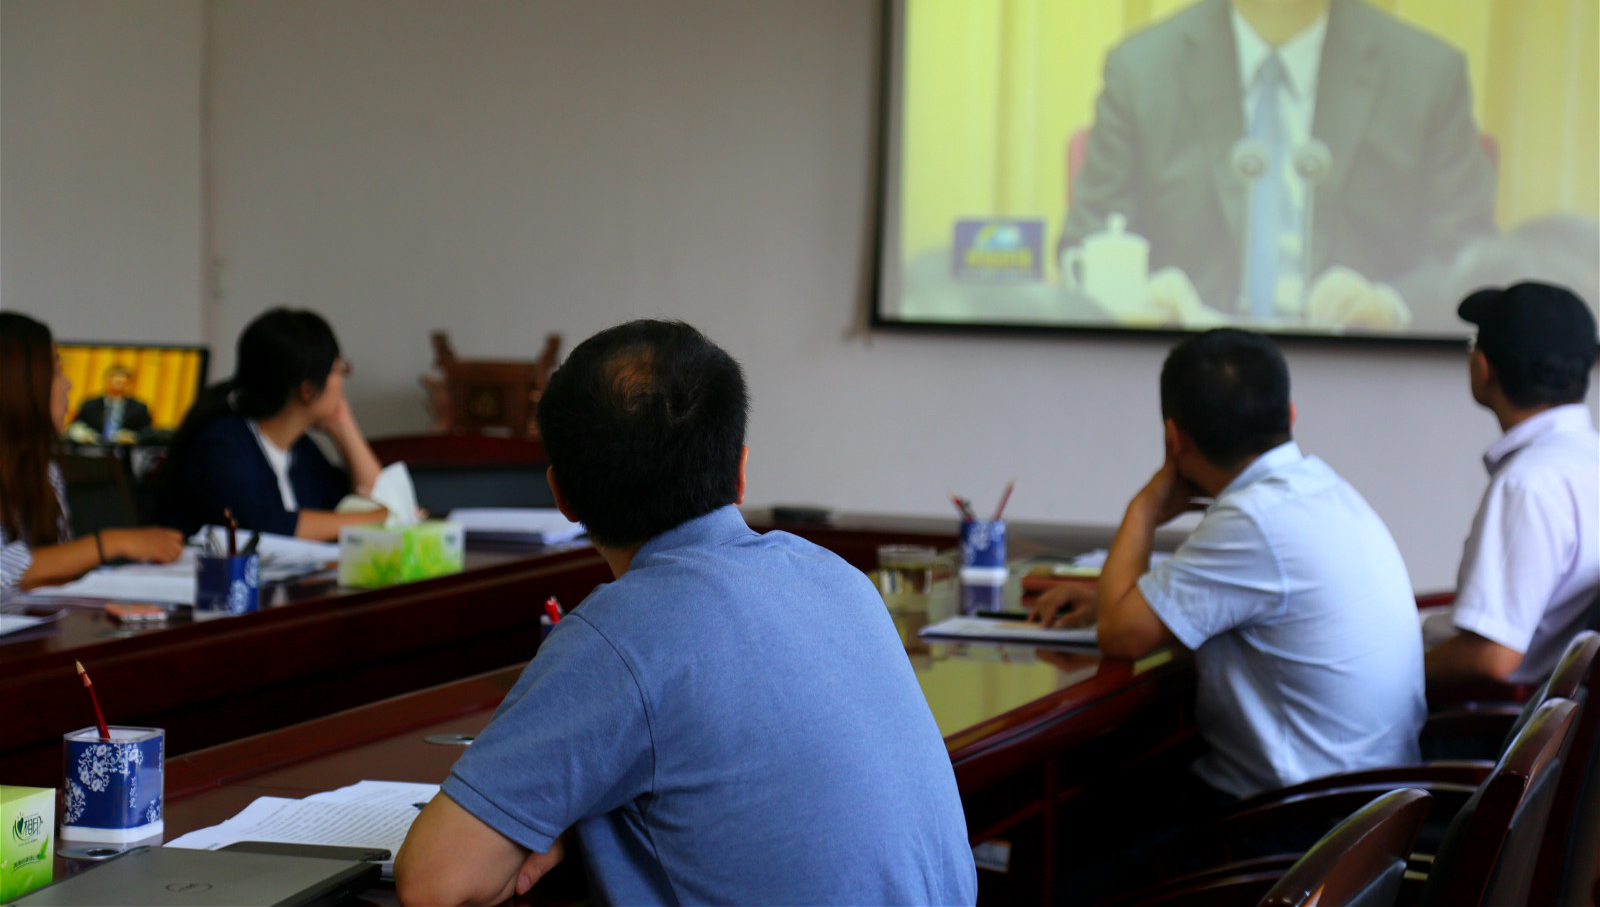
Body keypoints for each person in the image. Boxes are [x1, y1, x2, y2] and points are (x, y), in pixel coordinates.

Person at [395, 320, 976, 907]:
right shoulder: (837, 578)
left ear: (561, 495)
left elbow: (432, 882)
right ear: (740, 472)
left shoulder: (619, 636)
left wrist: (565, 818)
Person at [1057, 0, 1496, 332]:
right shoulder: (1142, 72)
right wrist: (1142, 295)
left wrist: (1389, 304)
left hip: (1359, 360)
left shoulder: (1425, 76)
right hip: (1188, 360)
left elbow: (1471, 258)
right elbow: (1086, 244)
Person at [1031, 329, 1425, 806]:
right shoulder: (1320, 488)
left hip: (1301, 822)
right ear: (1291, 414)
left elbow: (1120, 636)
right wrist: (1108, 599)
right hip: (1378, 811)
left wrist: (1145, 507)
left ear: (1174, 438)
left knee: (1086, 815)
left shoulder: (1253, 520)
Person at [1424, 282, 1600, 685]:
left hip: (1487, 712)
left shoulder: (1528, 484)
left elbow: (1492, 657)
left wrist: (1389, 674)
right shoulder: (1590, 459)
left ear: (1482, 368)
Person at [158, 308, 385, 540]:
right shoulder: (222, 443)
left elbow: (370, 500)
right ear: (308, 390)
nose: (342, 382)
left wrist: (345, 428)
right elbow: (258, 527)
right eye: (339, 369)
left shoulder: (300, 449)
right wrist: (377, 518)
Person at [0, 313, 183, 591]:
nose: (68, 384)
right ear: (17, 385)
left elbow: (52, 572)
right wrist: (110, 543)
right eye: (56, 371)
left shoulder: (44, 470)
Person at [72, 365, 154, 443]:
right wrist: (86, 435)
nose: (118, 381)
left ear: (129, 383)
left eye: (122, 378)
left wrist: (133, 437)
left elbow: (146, 431)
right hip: (93, 447)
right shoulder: (90, 404)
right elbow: (77, 426)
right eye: (114, 377)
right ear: (106, 380)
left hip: (125, 448)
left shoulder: (139, 407)